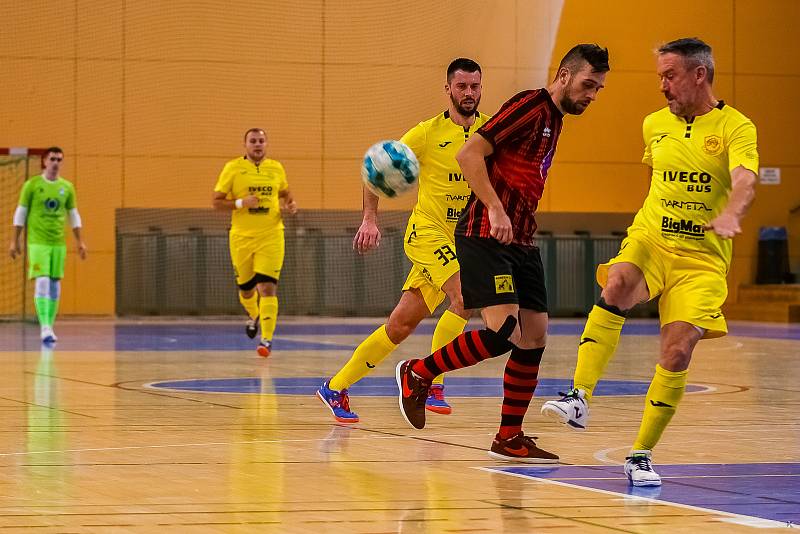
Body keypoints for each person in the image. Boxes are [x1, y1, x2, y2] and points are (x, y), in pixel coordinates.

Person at [541, 38, 759, 486]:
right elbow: (654, 181)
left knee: (677, 353)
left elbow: (745, 179)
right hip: (652, 239)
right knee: (618, 281)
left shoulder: (737, 126)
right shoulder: (654, 124)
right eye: (660, 75)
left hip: (701, 260)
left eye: (670, 75)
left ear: (700, 75)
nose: (662, 85)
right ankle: (578, 395)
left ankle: (640, 455)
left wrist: (732, 212)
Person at [396, 45, 611, 463]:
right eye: (588, 85)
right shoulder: (530, 105)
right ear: (564, 76)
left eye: (599, 89)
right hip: (484, 235)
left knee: (534, 337)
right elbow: (469, 152)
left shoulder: (555, 119)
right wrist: (495, 208)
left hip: (521, 239)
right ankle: (418, 372)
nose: (592, 95)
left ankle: (509, 436)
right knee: (502, 335)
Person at [316, 58, 490, 423]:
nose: (469, 93)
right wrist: (370, 218)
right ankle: (431, 381)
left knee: (400, 325)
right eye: (462, 87)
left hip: (465, 241)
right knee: (464, 297)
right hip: (428, 234)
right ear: (448, 89)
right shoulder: (426, 133)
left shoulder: (489, 131)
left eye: (475, 86)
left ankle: (336, 387)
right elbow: (375, 170)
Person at [212, 128, 297, 357]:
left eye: (261, 141)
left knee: (267, 288)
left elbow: (286, 193)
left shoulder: (276, 168)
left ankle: (266, 340)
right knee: (247, 291)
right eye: (253, 141)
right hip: (241, 238)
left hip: (271, 235)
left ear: (266, 144)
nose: (257, 144)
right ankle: (255, 315)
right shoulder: (233, 168)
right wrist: (240, 203)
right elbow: (217, 202)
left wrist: (290, 204)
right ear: (245, 145)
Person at [9, 147, 87, 343]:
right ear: (44, 161)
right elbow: (21, 212)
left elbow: (73, 215)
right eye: (52, 159)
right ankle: (44, 326)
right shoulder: (32, 185)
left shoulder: (67, 187)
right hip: (37, 243)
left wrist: (80, 241)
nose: (56, 163)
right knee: (42, 281)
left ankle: (49, 327)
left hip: (58, 244)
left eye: (59, 160)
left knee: (54, 284)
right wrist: (14, 240)